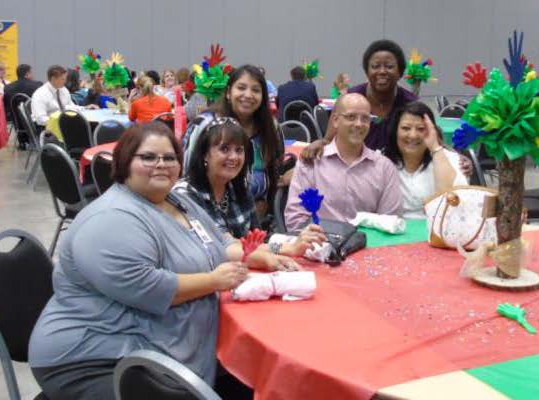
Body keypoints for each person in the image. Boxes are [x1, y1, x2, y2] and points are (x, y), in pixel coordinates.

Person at [28, 121, 291, 400]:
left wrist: (257, 256)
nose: (161, 164)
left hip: (149, 346)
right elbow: (148, 287)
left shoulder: (177, 201)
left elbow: (220, 243)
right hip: (94, 357)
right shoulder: (111, 218)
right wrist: (215, 280)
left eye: (169, 158)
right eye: (148, 157)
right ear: (125, 162)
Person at [173, 119, 325, 255]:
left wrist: (295, 239)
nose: (233, 157)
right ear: (205, 155)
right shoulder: (186, 195)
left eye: (239, 150)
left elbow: (257, 239)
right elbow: (224, 245)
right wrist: (288, 248)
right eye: (224, 149)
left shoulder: (238, 189)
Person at [285, 94, 404, 230]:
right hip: (319, 245)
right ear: (335, 120)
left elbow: (390, 222)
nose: (359, 124)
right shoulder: (312, 162)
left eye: (365, 118)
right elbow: (296, 219)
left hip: (370, 246)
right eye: (351, 117)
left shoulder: (384, 168)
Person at [184, 65, 285, 224]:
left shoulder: (270, 126)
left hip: (259, 219)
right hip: (209, 218)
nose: (248, 95)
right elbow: (187, 172)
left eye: (256, 90)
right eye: (241, 88)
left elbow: (277, 166)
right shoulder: (206, 124)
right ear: (228, 92)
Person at [380, 102, 467, 219]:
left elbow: (451, 203)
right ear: (395, 131)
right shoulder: (381, 161)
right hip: (393, 232)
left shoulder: (449, 159)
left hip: (436, 230)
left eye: (421, 129)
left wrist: (435, 148)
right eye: (406, 128)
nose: (413, 135)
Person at [4, 64, 43, 131]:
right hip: (35, 124)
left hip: (17, 124)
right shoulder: (37, 85)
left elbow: (6, 106)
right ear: (27, 74)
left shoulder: (7, 88)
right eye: (32, 73)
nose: (33, 75)